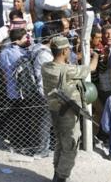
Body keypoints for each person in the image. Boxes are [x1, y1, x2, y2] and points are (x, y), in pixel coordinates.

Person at [42, 36, 98, 182]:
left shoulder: (46, 67)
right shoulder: (68, 70)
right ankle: (61, 177)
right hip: (67, 113)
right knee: (71, 145)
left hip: (54, 110)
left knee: (61, 142)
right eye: (68, 49)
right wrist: (96, 55)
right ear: (64, 51)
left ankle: (57, 172)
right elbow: (92, 68)